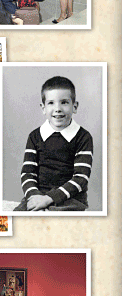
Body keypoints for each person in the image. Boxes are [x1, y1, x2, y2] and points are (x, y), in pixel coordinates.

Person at [13, 76, 93, 212]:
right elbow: (27, 173)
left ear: (75, 106)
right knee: (21, 216)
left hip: (71, 198)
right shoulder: (35, 136)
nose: (58, 109)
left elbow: (81, 178)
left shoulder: (83, 137)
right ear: (43, 108)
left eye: (64, 102)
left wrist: (49, 199)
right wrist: (35, 197)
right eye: (51, 103)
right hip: (39, 194)